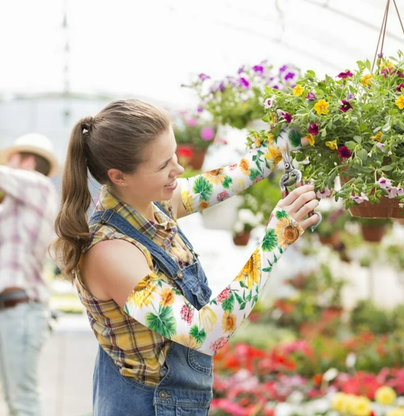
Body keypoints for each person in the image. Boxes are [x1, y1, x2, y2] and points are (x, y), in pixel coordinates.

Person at [53, 99, 320, 415]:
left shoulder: (152, 203)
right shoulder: (112, 253)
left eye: (175, 155)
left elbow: (230, 179)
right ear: (119, 176)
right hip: (147, 406)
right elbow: (204, 333)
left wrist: (282, 144)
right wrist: (274, 242)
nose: (178, 170)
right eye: (163, 165)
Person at [0, 133, 59, 416]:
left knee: (23, 404)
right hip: (13, 311)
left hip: (20, 309)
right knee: (16, 403)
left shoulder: (39, 186)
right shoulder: (17, 204)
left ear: (28, 160)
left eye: (11, 161)